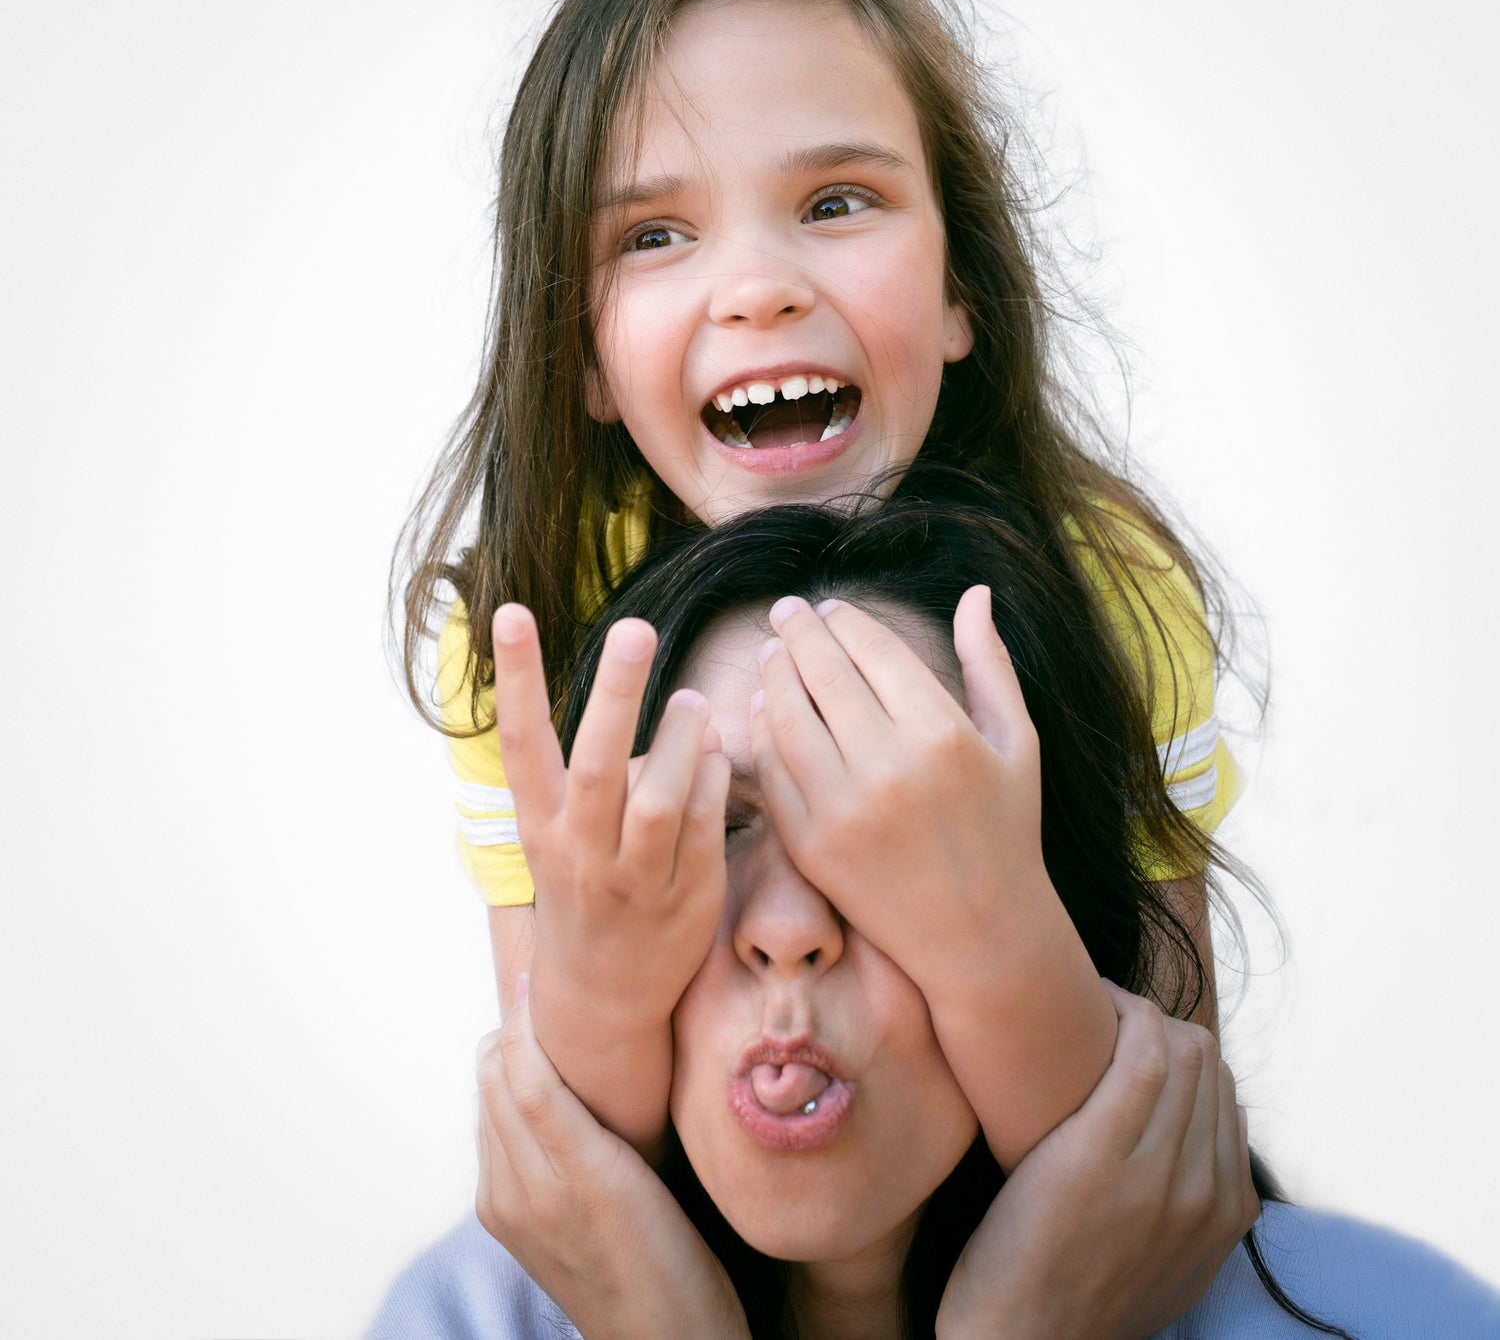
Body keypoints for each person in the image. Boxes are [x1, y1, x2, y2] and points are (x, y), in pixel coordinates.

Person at [395, 0, 1237, 1194]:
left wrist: (989, 927)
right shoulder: (534, 620)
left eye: (836, 204)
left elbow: (1170, 1148)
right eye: (656, 234)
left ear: (962, 289)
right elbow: (573, 1176)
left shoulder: (1109, 592)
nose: (759, 288)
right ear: (588, 364)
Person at [369, 490, 1500, 1337]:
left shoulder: (1397, 1318)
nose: (790, 927)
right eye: (710, 826)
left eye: (892, 834)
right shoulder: (459, 1321)